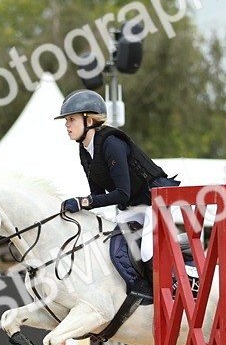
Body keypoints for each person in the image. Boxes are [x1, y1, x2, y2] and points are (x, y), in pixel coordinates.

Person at [55, 90, 179, 304]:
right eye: (66, 120)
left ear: (90, 120)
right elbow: (97, 195)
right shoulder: (85, 150)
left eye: (71, 119)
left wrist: (83, 202)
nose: (67, 125)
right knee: (112, 245)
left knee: (147, 251)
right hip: (131, 206)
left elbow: (122, 192)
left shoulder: (112, 143)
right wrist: (81, 205)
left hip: (155, 201)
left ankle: (168, 297)